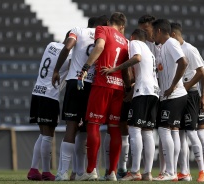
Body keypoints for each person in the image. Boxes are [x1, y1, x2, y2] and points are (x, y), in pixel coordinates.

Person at [51, 15, 108, 181]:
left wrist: (56, 69)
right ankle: (81, 171)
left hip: (76, 82)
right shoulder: (103, 36)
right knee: (88, 129)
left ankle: (62, 173)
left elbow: (67, 47)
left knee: (71, 127)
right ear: (98, 25)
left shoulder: (77, 31)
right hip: (94, 86)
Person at [76, 12, 130, 181]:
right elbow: (126, 69)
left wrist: (85, 67)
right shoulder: (126, 41)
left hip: (102, 83)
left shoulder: (103, 29)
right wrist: (127, 87)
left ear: (108, 22)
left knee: (93, 124)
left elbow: (99, 46)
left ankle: (91, 170)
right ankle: (111, 172)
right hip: (119, 87)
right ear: (122, 26)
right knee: (114, 129)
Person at [101, 28, 159, 181]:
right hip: (154, 91)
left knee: (134, 129)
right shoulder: (149, 50)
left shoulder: (134, 43)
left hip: (143, 91)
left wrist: (116, 68)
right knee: (147, 132)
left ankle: (134, 172)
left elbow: (137, 58)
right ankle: (147, 173)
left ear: (133, 37)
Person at [27, 31, 71, 181]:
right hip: (49, 95)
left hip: (37, 92)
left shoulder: (51, 45)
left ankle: (34, 169)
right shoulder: (70, 56)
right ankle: (45, 171)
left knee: (42, 133)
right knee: (48, 135)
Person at [170, 22, 204, 182]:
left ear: (173, 35)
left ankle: (203, 172)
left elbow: (202, 72)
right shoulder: (173, 50)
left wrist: (202, 95)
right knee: (180, 135)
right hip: (179, 94)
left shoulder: (189, 49)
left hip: (191, 94)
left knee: (193, 133)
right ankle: (184, 172)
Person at [152, 18, 188, 181]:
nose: (152, 35)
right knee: (169, 131)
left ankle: (171, 171)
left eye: (153, 31)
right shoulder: (162, 47)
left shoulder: (171, 43)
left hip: (174, 95)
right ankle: (176, 172)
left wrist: (173, 85)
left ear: (159, 31)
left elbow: (183, 62)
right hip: (167, 95)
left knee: (163, 130)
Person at [138, 14, 166, 180]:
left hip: (163, 91)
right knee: (145, 130)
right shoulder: (142, 44)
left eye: (146, 29)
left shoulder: (163, 45)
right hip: (150, 90)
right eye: (141, 30)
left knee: (163, 131)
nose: (145, 33)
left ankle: (165, 170)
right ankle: (145, 170)